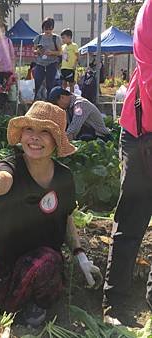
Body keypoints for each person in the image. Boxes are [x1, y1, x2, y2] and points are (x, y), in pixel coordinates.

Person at [0, 101, 102, 329]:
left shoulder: (64, 177)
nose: (35, 137)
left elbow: (66, 216)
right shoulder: (10, 166)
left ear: (56, 142)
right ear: (21, 135)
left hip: (37, 260)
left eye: (45, 132)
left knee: (46, 264)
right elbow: (1, 182)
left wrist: (80, 254)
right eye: (29, 129)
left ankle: (31, 306)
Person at [103, 0, 152, 325]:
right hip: (142, 135)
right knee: (132, 221)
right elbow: (149, 72)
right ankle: (115, 305)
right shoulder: (150, 11)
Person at [33, 17, 62, 100]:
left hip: (52, 63)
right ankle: (36, 100)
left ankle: (50, 101)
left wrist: (51, 52)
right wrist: (37, 51)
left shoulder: (56, 38)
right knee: (37, 82)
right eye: (46, 29)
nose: (47, 31)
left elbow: (60, 52)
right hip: (40, 63)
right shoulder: (38, 38)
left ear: (52, 28)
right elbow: (34, 50)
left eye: (49, 29)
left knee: (50, 84)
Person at [60, 29, 79, 94]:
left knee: (71, 84)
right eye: (62, 38)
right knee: (63, 84)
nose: (62, 40)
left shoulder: (74, 46)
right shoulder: (62, 47)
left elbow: (77, 56)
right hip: (63, 67)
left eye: (64, 38)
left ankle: (72, 96)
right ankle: (63, 96)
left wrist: (75, 65)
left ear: (69, 37)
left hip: (70, 68)